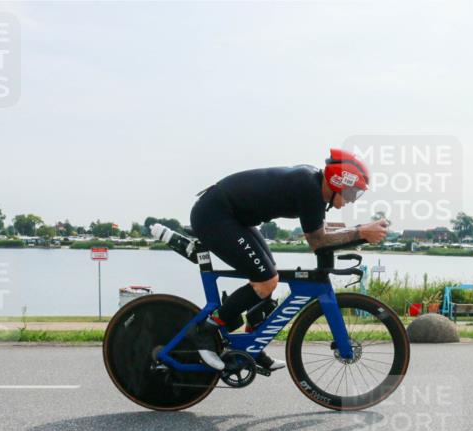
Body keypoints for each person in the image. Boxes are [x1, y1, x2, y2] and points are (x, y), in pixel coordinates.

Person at [153, 148, 389, 371]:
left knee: (269, 276)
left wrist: (360, 231)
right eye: (353, 192)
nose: (352, 199)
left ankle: (252, 348)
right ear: (338, 182)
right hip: (215, 216)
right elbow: (318, 241)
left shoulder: (313, 185)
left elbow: (322, 233)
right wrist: (360, 233)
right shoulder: (309, 188)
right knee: (265, 279)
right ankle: (205, 330)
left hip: (231, 216)